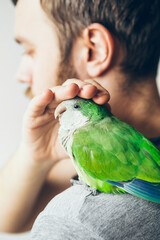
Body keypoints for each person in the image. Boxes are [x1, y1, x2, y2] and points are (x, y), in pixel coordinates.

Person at [1, 0, 160, 238]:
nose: (20, 75)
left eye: (29, 51)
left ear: (93, 49)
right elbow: (6, 219)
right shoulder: (100, 155)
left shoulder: (74, 222)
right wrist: (34, 154)